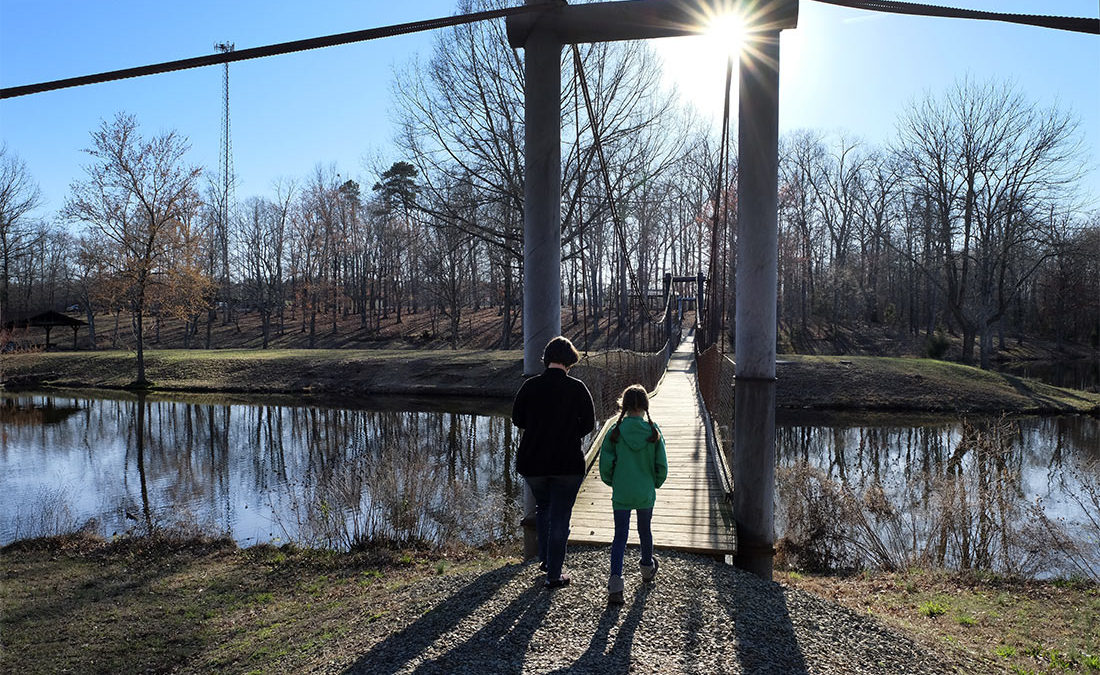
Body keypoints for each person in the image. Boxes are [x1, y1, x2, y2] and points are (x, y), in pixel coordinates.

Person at [511, 336, 596, 589]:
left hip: (533, 462)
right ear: (570, 360)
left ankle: (547, 561)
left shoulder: (530, 386)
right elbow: (589, 425)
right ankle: (554, 575)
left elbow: (518, 419)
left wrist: (538, 428)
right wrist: (568, 432)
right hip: (567, 463)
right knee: (560, 516)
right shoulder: (578, 388)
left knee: (543, 508)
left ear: (546, 359)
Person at [598, 384, 667, 604]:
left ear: (623, 405)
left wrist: (614, 482)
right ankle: (647, 569)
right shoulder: (653, 431)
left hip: (622, 492)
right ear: (645, 406)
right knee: (645, 530)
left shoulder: (615, 432)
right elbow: (662, 466)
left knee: (620, 535)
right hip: (645, 491)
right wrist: (653, 483)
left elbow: (605, 465)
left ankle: (616, 585)